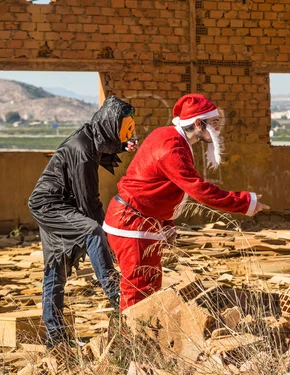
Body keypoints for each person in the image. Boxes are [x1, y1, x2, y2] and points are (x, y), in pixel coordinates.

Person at [103, 94, 270, 311]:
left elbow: (154, 188)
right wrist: (245, 202)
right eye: (215, 123)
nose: (218, 128)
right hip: (132, 223)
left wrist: (166, 222)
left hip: (141, 220)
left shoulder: (169, 137)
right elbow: (199, 190)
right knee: (139, 292)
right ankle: (132, 341)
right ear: (199, 123)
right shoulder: (172, 147)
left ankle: (143, 339)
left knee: (149, 287)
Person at [28, 96, 138, 348]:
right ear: (109, 124)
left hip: (60, 204)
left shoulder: (93, 137)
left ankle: (55, 338)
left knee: (56, 267)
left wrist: (123, 146)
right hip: (50, 205)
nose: (126, 133)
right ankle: (115, 294)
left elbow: (104, 148)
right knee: (92, 230)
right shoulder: (82, 150)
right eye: (123, 129)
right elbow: (89, 201)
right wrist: (110, 235)